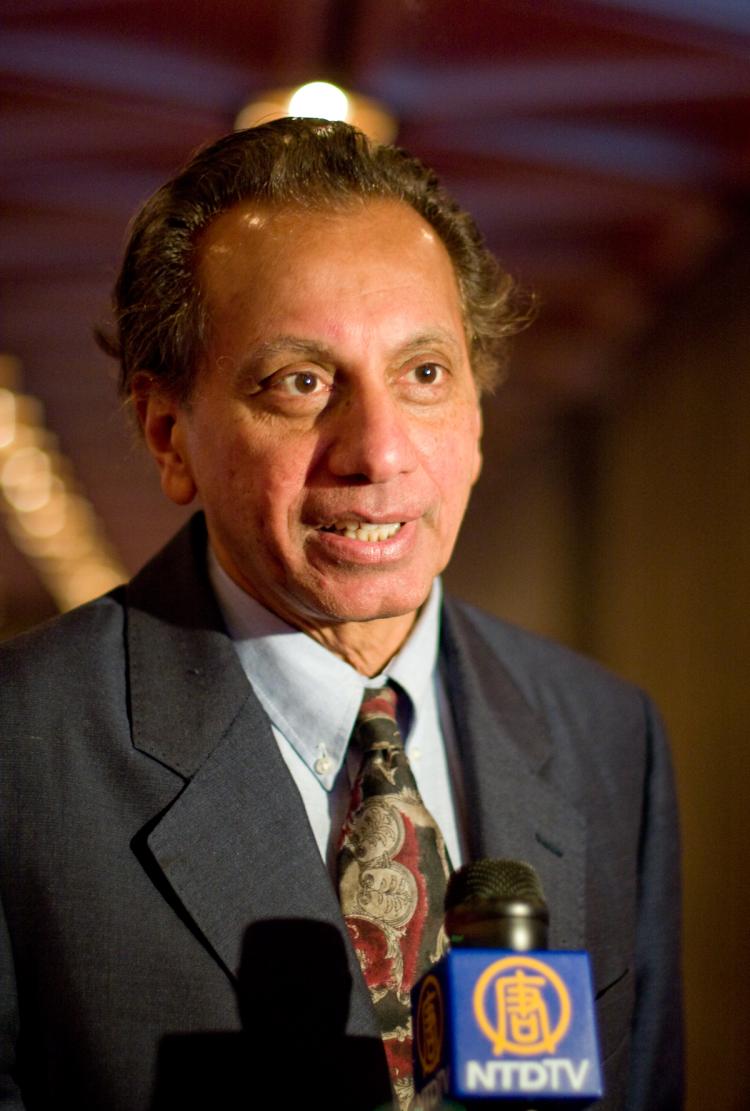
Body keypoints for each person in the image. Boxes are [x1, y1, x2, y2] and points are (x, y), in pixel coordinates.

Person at [0, 119, 683, 1110]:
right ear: (168, 433)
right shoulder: (22, 749)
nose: (378, 450)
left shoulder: (609, 736)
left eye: (425, 375)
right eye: (302, 382)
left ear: (478, 420)